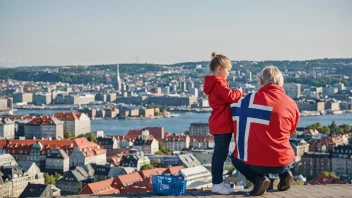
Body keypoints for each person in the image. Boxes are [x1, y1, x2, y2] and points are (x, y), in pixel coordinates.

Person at [230, 65, 300, 196]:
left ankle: (258, 180)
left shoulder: (246, 100)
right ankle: (285, 173)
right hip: (283, 161)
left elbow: (231, 107)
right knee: (281, 147)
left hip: (256, 163)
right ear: (281, 82)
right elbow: (290, 131)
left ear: (261, 81)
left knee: (235, 157)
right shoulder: (291, 103)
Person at [203, 52, 243, 195]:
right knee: (220, 155)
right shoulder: (219, 82)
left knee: (219, 154)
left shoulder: (213, 84)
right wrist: (239, 92)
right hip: (222, 124)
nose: (228, 74)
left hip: (219, 123)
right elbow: (230, 97)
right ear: (219, 69)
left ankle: (218, 183)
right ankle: (217, 184)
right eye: (228, 70)